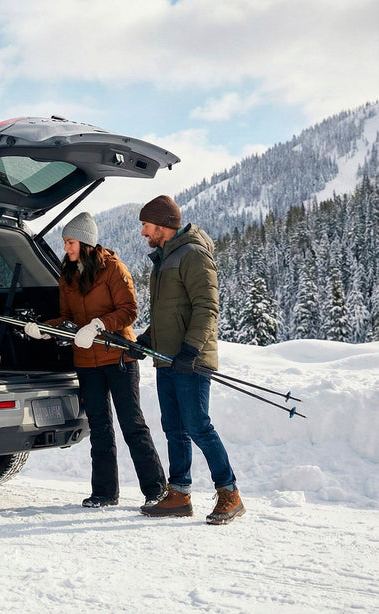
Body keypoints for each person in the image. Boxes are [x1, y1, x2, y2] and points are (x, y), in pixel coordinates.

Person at [24, 211, 167, 509]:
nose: (66, 247)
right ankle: (104, 492)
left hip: (118, 358)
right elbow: (67, 317)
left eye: (71, 242)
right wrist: (45, 329)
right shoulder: (68, 274)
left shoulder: (112, 268)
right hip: (87, 362)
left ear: (86, 242)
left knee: (132, 425)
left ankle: (156, 490)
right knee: (100, 428)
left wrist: (99, 325)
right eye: (65, 242)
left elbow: (129, 310)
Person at [135, 195, 245, 525]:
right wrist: (148, 338)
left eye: (146, 225)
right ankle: (179, 494)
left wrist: (191, 350)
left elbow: (207, 308)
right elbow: (169, 312)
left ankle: (230, 493)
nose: (143, 232)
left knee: (198, 425)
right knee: (174, 428)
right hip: (168, 358)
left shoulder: (193, 254)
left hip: (190, 360)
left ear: (163, 225)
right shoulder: (165, 257)